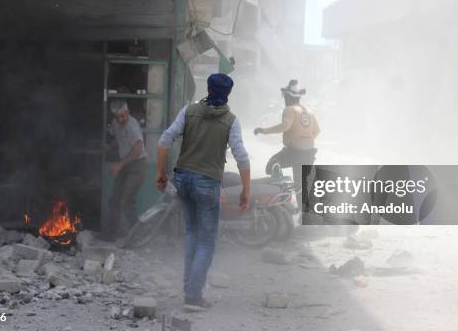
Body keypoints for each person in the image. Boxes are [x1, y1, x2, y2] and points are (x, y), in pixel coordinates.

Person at [156, 73, 250, 312]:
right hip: (207, 183)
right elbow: (241, 157)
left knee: (191, 234)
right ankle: (193, 296)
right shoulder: (231, 120)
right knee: (206, 241)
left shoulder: (189, 111)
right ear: (228, 94)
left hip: (183, 179)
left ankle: (189, 288)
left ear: (207, 88)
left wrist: (160, 173)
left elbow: (166, 138)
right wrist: (246, 190)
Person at [254, 79, 320, 195]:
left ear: (289, 97)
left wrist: (264, 131)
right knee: (301, 186)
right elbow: (317, 130)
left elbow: (285, 126)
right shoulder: (309, 111)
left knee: (272, 165)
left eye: (285, 97)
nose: (284, 99)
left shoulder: (289, 109)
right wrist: (305, 139)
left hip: (294, 153)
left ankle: (283, 186)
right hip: (309, 154)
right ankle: (302, 210)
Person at [103, 100, 146, 240]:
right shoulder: (116, 123)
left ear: (127, 112)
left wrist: (120, 165)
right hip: (125, 165)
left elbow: (138, 150)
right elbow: (119, 138)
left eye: (123, 116)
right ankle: (111, 234)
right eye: (118, 117)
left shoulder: (133, 126)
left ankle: (135, 236)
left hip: (137, 165)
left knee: (127, 201)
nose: (120, 119)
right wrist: (110, 146)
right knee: (114, 198)